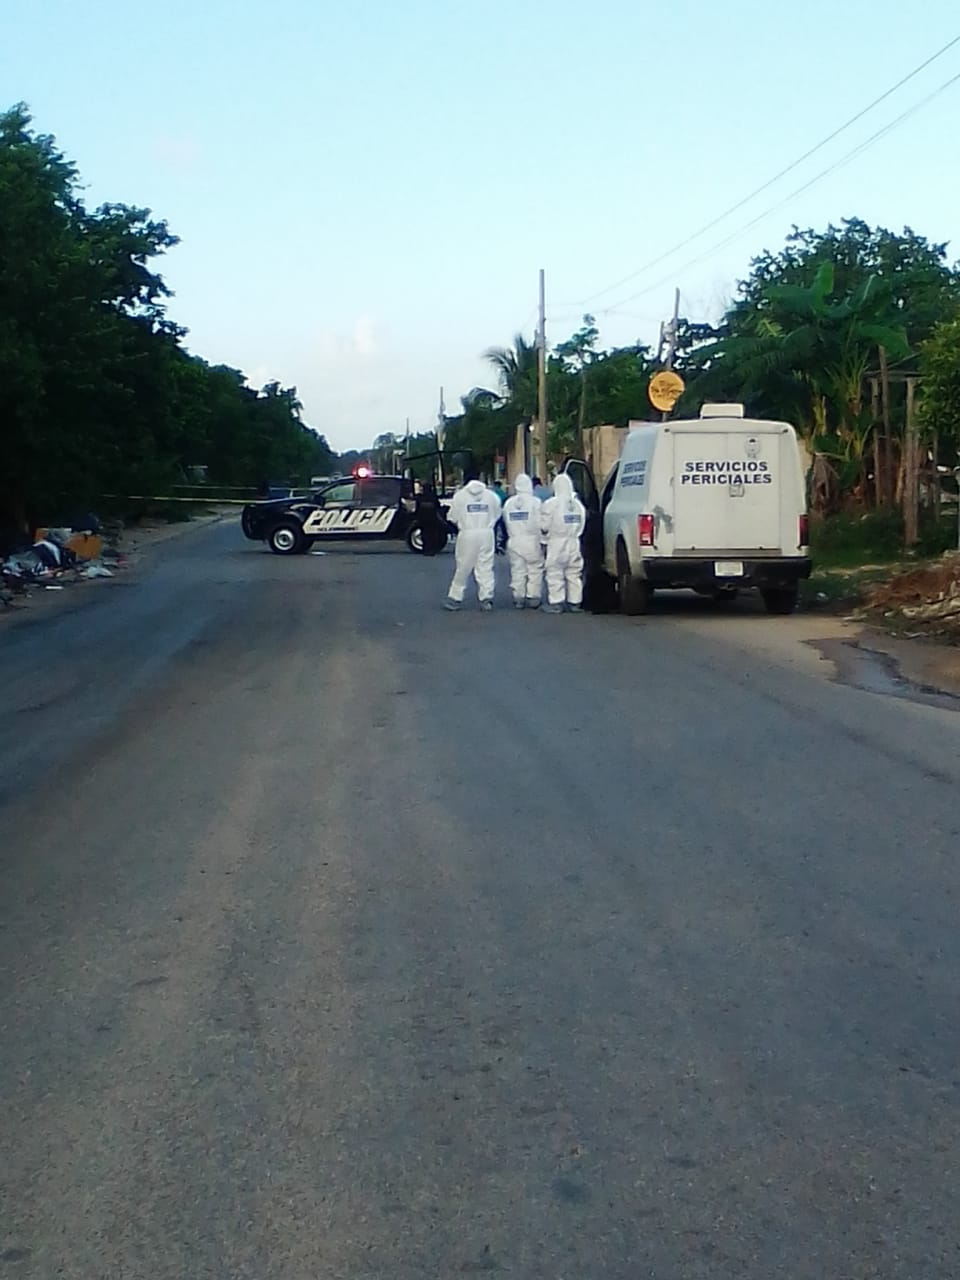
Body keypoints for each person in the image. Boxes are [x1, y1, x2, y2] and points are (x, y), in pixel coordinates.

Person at [444, 472, 501, 611]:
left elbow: (452, 517)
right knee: (486, 566)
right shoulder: (491, 496)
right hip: (487, 533)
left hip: (467, 533)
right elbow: (497, 514)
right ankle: (486, 598)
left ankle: (455, 597)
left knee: (463, 566)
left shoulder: (460, 496)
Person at [540, 472, 586, 613]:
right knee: (574, 572)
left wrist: (544, 540)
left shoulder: (551, 504)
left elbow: (544, 526)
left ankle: (556, 602)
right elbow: (582, 524)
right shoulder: (577, 505)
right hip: (574, 541)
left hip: (556, 542)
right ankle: (575, 602)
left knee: (554, 572)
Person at [501, 473, 544, 609]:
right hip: (532, 540)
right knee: (534, 569)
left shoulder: (509, 503)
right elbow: (540, 522)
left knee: (517, 570)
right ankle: (533, 596)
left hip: (514, 540)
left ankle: (518, 596)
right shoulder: (535, 502)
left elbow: (504, 522)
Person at [414, 479, 445, 556]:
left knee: (425, 535)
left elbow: (417, 508)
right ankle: (432, 550)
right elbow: (438, 506)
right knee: (432, 535)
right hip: (432, 519)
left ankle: (426, 549)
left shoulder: (420, 498)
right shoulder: (433, 497)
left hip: (423, 519)